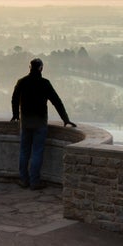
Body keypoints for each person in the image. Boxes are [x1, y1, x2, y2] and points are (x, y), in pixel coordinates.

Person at [10, 58, 75, 190]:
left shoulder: (22, 82)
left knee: (24, 152)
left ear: (30, 67)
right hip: (40, 123)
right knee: (37, 152)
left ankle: (24, 180)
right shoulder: (45, 83)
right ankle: (34, 182)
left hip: (26, 122)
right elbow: (57, 101)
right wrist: (65, 119)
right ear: (41, 68)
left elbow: (14, 99)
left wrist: (16, 114)